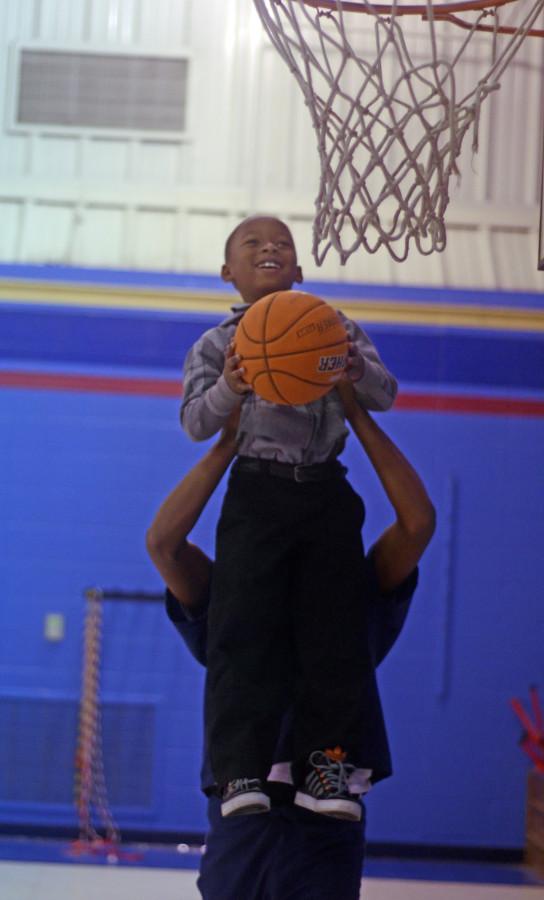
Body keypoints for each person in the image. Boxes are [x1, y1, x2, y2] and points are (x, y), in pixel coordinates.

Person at [146, 380, 435, 900]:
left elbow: (417, 524)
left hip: (326, 822)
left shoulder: (350, 605)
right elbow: (163, 544)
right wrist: (229, 441)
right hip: (243, 814)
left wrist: (356, 417)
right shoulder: (233, 606)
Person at [180, 215, 398, 821]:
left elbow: (387, 393)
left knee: (335, 643)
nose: (269, 248)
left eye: (282, 244)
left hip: (325, 494)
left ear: (299, 271)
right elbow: (196, 423)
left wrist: (355, 369)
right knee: (242, 637)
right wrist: (229, 387)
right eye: (253, 243)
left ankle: (324, 775)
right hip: (255, 495)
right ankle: (240, 774)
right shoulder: (213, 346)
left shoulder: (336, 328)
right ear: (229, 273)